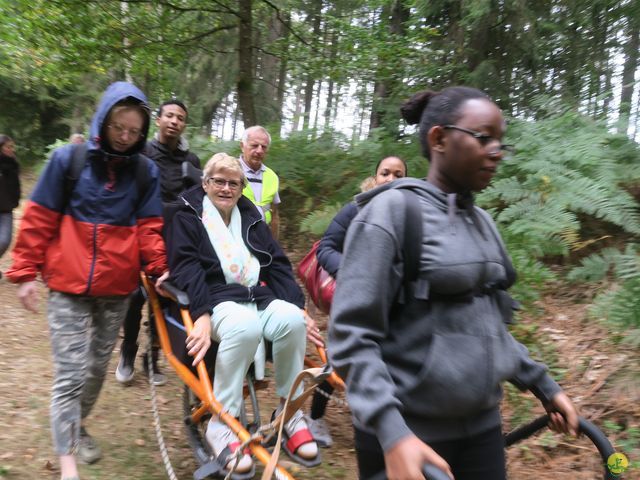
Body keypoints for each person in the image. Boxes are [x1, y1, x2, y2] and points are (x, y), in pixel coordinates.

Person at [328, 86, 579, 480]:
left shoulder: (483, 224)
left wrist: (544, 386)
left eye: (500, 142)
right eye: (484, 138)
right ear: (439, 138)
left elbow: (489, 325)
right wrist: (393, 435)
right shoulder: (390, 214)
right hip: (409, 435)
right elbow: (351, 336)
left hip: (481, 431)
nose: (496, 151)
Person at [5, 81, 169, 480]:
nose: (126, 137)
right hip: (67, 286)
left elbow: (149, 228)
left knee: (96, 370)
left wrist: (158, 267)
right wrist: (25, 272)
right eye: (119, 128)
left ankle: (76, 426)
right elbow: (40, 217)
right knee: (71, 373)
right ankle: (67, 465)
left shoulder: (145, 171)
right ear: (104, 120)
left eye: (134, 131)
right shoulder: (68, 160)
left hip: (116, 290)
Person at [166, 152, 323, 474]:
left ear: (241, 188)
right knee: (244, 326)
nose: (226, 188)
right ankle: (222, 423)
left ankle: (288, 414)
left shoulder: (249, 213)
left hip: (257, 293)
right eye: (219, 181)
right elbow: (186, 266)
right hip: (216, 298)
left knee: (290, 321)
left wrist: (299, 306)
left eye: (233, 183)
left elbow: (277, 263)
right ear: (205, 183)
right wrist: (201, 313)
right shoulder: (185, 213)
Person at [309, 156, 408, 448]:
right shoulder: (358, 207)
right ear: (375, 177)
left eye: (397, 174)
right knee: (341, 356)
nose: (390, 179)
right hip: (356, 297)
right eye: (385, 173)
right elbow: (326, 246)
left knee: (391, 360)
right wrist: (350, 274)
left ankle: (386, 423)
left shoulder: (413, 213)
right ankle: (314, 416)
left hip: (395, 302)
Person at [115, 98, 201, 386]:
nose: (175, 121)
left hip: (176, 241)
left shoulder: (191, 161)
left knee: (164, 301)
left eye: (180, 117)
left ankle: (152, 359)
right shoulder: (142, 154)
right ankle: (127, 352)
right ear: (159, 119)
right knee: (136, 296)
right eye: (170, 116)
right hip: (141, 235)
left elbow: (197, 204)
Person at [239, 125, 281, 240]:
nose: (259, 150)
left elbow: (274, 216)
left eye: (264, 147)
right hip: (236, 239)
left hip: (263, 238)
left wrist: (274, 247)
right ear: (242, 146)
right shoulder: (229, 170)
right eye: (254, 145)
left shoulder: (272, 176)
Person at [0, 135, 20, 278]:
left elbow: (15, 186)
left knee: (4, 241)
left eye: (12, 146)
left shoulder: (13, 164)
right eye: (8, 147)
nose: (11, 149)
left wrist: (15, 200)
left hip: (7, 209)